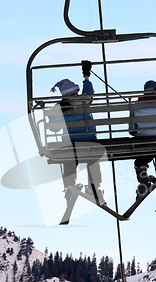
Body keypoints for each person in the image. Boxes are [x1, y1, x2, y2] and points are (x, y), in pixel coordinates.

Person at [49, 60, 104, 205]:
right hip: (89, 141)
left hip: (71, 144)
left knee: (69, 158)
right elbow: (89, 93)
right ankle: (94, 187)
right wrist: (86, 76)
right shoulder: (83, 100)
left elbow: (53, 129)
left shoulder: (59, 107)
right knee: (93, 157)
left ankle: (69, 188)